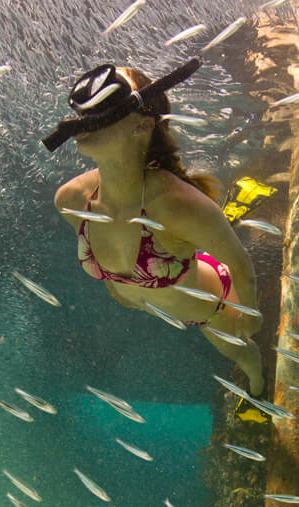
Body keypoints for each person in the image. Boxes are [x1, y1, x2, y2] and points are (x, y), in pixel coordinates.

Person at [43, 59, 265, 397]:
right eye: (82, 112)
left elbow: (240, 265)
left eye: (104, 108)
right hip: (158, 298)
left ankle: (259, 386)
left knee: (239, 353)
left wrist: (250, 317)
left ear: (142, 127)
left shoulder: (176, 204)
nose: (84, 121)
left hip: (210, 305)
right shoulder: (71, 200)